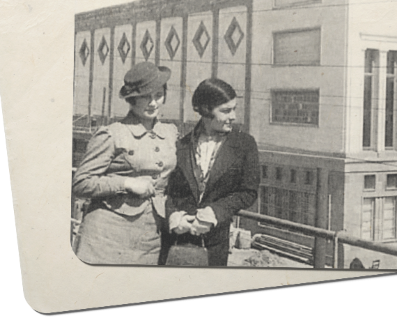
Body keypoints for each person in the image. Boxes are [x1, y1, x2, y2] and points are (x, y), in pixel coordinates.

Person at [72, 62, 178, 265]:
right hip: (106, 237)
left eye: (158, 95)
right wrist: (126, 183)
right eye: (145, 97)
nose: (153, 103)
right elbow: (81, 183)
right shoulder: (112, 134)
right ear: (132, 99)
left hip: (150, 237)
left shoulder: (170, 133)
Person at [162, 78, 260, 266]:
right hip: (177, 240)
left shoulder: (245, 144)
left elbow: (248, 192)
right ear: (206, 110)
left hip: (215, 244)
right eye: (226, 111)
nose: (233, 116)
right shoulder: (181, 145)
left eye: (234, 109)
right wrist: (174, 217)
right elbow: (168, 190)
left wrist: (216, 212)